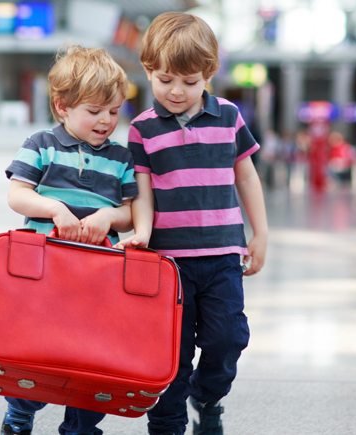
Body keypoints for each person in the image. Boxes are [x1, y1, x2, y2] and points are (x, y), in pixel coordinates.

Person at [114, 12, 268, 435]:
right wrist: (141, 234)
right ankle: (167, 427)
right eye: (164, 80)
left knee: (228, 339)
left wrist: (261, 233)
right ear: (148, 71)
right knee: (169, 356)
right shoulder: (142, 129)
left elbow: (246, 175)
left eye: (189, 81)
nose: (176, 91)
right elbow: (141, 188)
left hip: (222, 256)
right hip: (168, 263)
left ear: (209, 74)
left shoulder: (229, 117)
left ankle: (208, 395)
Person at [1, 45, 137, 435]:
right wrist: (55, 209)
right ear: (62, 106)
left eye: (113, 112)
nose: (106, 121)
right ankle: (20, 411)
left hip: (98, 277)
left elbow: (129, 213)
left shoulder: (121, 158)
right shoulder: (41, 143)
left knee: (93, 359)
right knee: (37, 350)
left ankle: (81, 428)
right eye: (94, 112)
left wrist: (110, 216)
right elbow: (17, 194)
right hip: (44, 272)